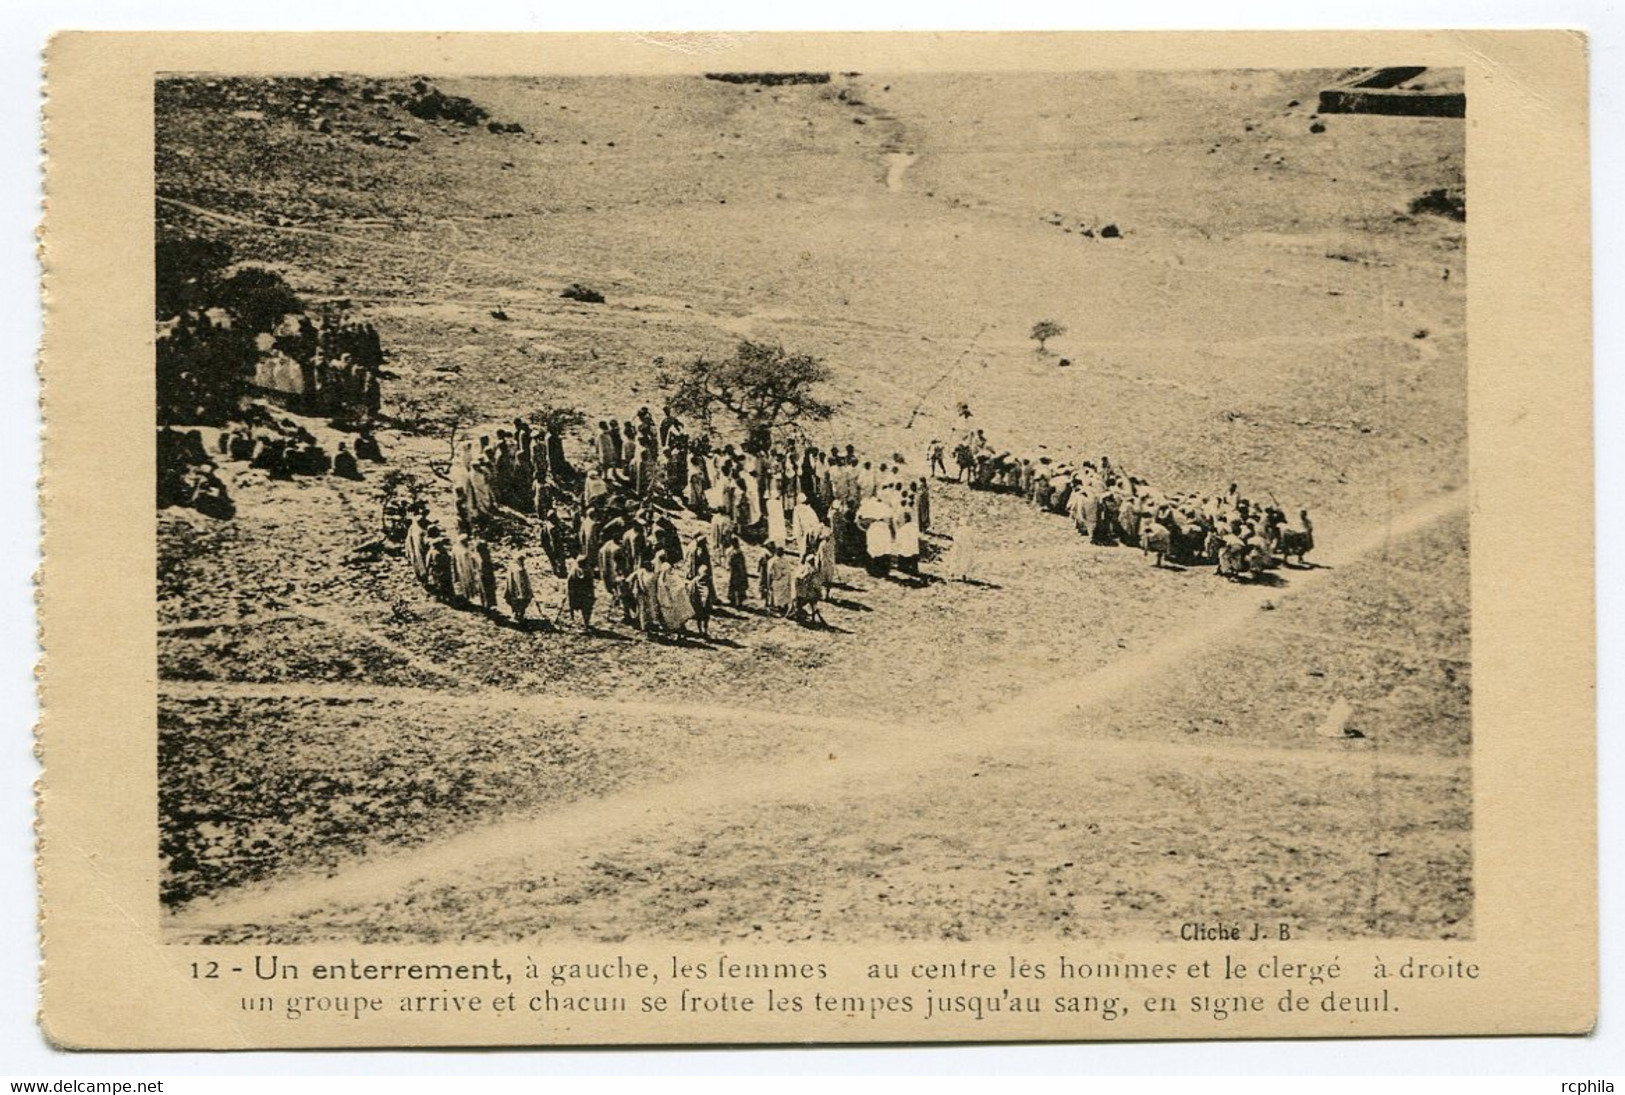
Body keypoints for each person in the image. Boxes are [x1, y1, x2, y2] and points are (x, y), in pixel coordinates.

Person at [566, 554, 596, 630]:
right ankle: (585, 624)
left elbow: (569, 582)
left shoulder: (574, 571)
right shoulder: (587, 571)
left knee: (585, 608)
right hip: (583, 593)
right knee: (586, 609)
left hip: (580, 593)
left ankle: (584, 623)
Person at [504, 555, 534, 624]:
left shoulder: (514, 569)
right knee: (520, 604)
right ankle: (517, 616)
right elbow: (520, 583)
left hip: (515, 593)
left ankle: (518, 616)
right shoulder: (519, 570)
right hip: (518, 593)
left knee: (518, 604)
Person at [725, 535, 750, 607]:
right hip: (737, 571)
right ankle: (736, 601)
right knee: (737, 586)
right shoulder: (737, 552)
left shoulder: (732, 551)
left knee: (736, 586)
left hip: (735, 571)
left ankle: (736, 601)